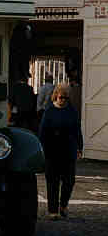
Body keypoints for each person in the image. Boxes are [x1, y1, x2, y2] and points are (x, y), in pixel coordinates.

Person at [38, 83, 83, 220]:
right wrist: (42, 149)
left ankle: (63, 205)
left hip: (69, 149)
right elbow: (42, 132)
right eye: (61, 97)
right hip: (52, 150)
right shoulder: (49, 111)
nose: (63, 100)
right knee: (52, 181)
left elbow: (77, 130)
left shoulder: (72, 111)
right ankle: (53, 211)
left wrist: (80, 147)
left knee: (69, 181)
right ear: (56, 96)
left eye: (66, 98)